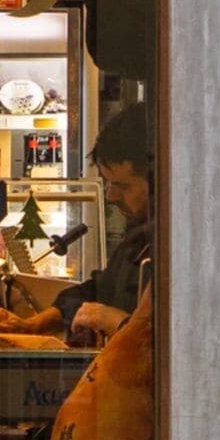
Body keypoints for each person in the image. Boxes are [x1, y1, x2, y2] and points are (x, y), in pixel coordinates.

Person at [56, 102, 154, 344]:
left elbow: (167, 346)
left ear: (162, 180)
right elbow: (102, 288)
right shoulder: (139, 237)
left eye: (122, 186)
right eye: (108, 183)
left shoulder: (179, 251)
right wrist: (41, 321)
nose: (110, 196)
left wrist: (116, 322)